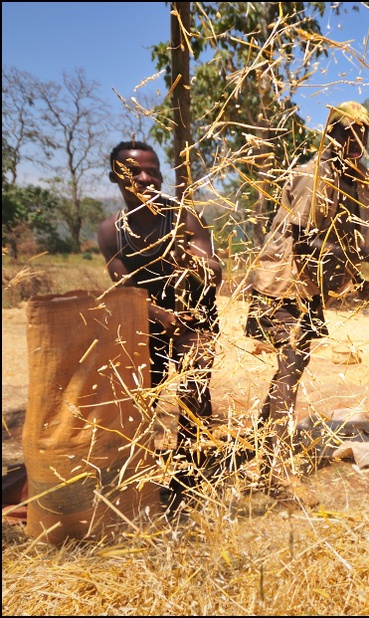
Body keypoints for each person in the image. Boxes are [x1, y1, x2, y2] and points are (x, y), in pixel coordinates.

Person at [244, 101, 369, 488]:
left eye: (362, 136)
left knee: (292, 367)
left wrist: (368, 258)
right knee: (291, 365)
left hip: (308, 289)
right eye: (348, 134)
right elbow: (308, 242)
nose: (355, 143)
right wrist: (354, 267)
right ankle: (275, 472)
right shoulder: (314, 177)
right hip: (281, 282)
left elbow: (355, 237)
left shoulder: (359, 183)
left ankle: (261, 447)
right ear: (333, 134)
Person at [97, 140, 223, 508]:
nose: (145, 178)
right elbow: (125, 288)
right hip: (144, 322)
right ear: (114, 177)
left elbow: (214, 274)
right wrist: (160, 316)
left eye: (152, 171)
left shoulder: (185, 218)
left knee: (193, 396)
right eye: (134, 171)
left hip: (193, 319)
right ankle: (137, 481)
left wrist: (195, 263)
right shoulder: (111, 232)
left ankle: (191, 479)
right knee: (142, 401)